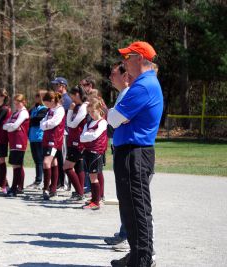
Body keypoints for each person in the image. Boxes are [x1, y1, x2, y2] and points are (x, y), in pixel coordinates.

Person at [108, 41, 162, 267]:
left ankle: (142, 259)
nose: (124, 63)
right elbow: (116, 119)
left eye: (127, 58)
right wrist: (117, 115)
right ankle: (137, 254)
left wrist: (116, 115)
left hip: (135, 153)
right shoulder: (142, 84)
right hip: (130, 153)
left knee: (137, 207)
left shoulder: (143, 86)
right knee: (129, 206)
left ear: (140, 58)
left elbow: (112, 119)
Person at [103, 61, 130, 252]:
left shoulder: (128, 93)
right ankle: (124, 232)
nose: (111, 77)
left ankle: (128, 237)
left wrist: (110, 113)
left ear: (125, 76)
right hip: (119, 147)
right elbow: (113, 119)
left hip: (129, 149)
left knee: (129, 197)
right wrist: (110, 113)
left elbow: (116, 120)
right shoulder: (122, 94)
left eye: (114, 74)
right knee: (124, 195)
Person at [80, 97, 108, 210]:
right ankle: (94, 198)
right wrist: (88, 135)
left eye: (93, 111)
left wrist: (88, 135)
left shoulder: (103, 122)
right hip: (87, 152)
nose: (91, 114)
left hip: (96, 152)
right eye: (89, 112)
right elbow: (81, 138)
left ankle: (96, 202)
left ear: (99, 109)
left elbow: (95, 135)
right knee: (91, 176)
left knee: (93, 177)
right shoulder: (89, 123)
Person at [64, 85, 88, 201]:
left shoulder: (83, 107)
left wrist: (70, 110)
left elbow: (71, 124)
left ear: (77, 94)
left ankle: (79, 192)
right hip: (73, 139)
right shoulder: (78, 106)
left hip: (77, 141)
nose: (71, 98)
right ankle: (80, 191)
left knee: (67, 167)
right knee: (78, 166)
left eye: (72, 95)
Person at [40, 91, 65, 200]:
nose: (45, 106)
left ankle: (46, 188)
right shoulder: (50, 110)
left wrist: (45, 125)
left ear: (52, 101)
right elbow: (43, 123)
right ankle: (53, 189)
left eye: (46, 103)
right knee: (53, 162)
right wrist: (45, 125)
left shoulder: (60, 110)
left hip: (54, 140)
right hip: (46, 139)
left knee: (46, 162)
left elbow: (53, 123)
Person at [3, 94, 29, 197]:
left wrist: (10, 127)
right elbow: (5, 125)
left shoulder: (24, 113)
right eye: (15, 102)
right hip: (13, 141)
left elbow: (14, 125)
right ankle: (19, 187)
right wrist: (10, 127)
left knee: (17, 165)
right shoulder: (15, 113)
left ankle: (14, 189)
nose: (17, 104)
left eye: (19, 102)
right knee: (16, 165)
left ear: (23, 102)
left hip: (19, 141)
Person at [51, 76, 70, 191]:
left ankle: (66, 184)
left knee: (63, 157)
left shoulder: (66, 99)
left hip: (64, 132)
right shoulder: (59, 98)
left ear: (62, 86)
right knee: (57, 158)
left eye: (57, 85)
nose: (55, 87)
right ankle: (59, 182)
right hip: (58, 132)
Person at [27, 90, 48, 188]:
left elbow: (37, 121)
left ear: (42, 97)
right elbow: (29, 120)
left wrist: (31, 120)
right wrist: (31, 120)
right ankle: (38, 180)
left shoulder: (45, 109)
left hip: (40, 137)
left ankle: (40, 180)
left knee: (40, 160)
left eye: (37, 95)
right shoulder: (33, 109)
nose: (35, 97)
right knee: (36, 160)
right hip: (32, 137)